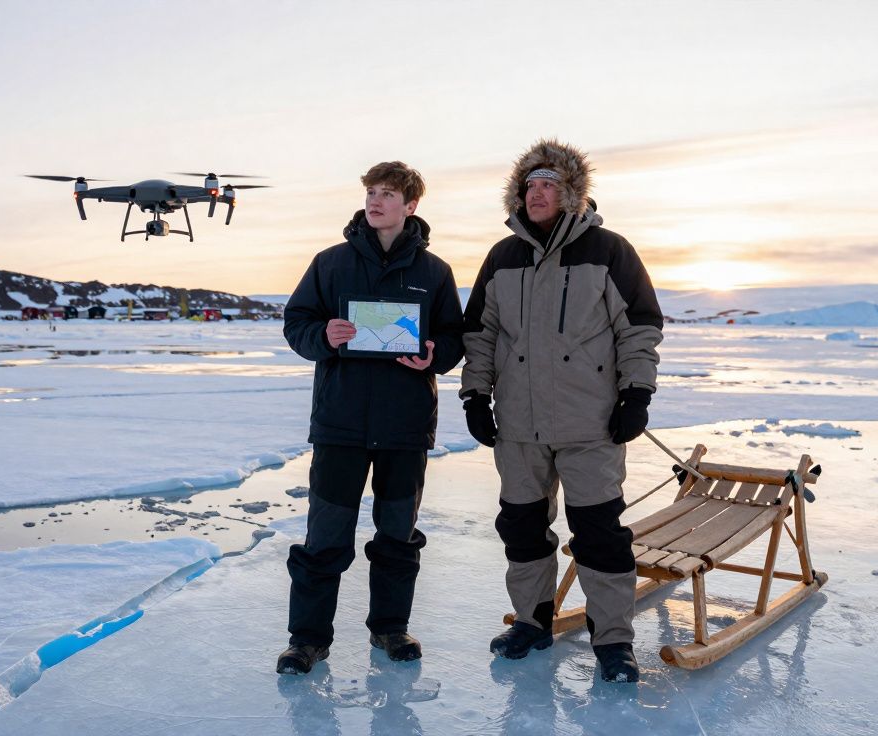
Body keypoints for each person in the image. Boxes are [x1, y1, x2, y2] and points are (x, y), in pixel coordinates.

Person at [460, 139, 663, 683]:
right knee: (523, 529)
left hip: (591, 424)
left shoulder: (609, 250)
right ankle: (532, 621)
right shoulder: (503, 258)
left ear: (572, 195)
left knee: (599, 533)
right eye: (529, 185)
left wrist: (635, 394)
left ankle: (613, 639)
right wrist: (475, 395)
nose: (537, 193)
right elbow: (480, 334)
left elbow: (639, 329)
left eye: (549, 185)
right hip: (520, 427)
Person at [278, 161, 465, 675]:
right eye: (371, 192)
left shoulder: (434, 272)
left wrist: (435, 355)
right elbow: (297, 322)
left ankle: (390, 628)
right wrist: (324, 337)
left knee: (397, 536)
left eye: (388, 193)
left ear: (411, 206)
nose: (375, 201)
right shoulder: (331, 263)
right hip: (340, 425)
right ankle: (307, 640)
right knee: (325, 538)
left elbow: (453, 336)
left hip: (404, 427)